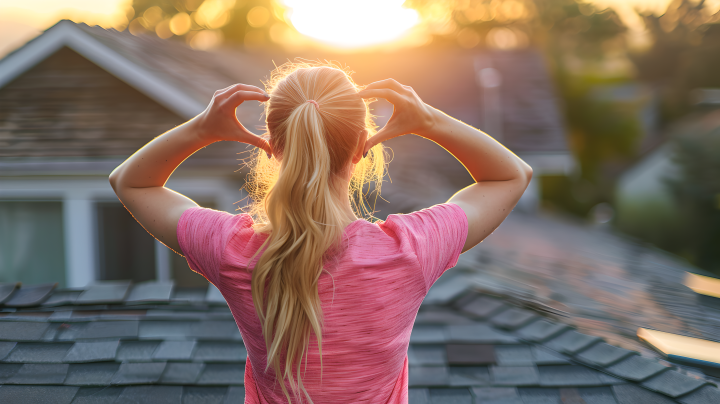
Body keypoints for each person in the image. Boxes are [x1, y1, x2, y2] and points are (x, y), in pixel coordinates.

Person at [109, 62, 533, 404]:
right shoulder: (409, 251)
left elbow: (131, 182)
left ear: (272, 146)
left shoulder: (234, 250)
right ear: (363, 145)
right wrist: (427, 120)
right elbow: (510, 176)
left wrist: (202, 128)